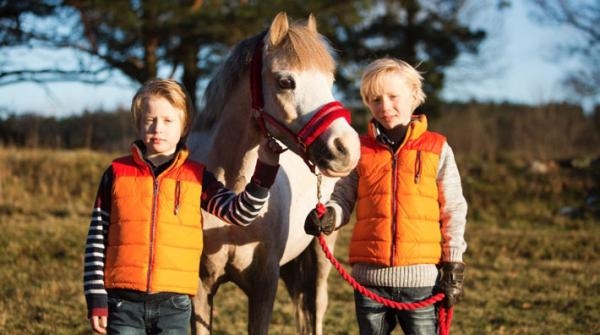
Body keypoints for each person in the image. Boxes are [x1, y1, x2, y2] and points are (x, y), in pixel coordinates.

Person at [82, 78, 282, 334]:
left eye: (168, 121)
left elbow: (239, 213)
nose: (157, 128)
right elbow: (96, 239)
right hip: (123, 303)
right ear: (138, 124)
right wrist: (97, 299)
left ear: (184, 126)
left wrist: (265, 170)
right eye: (149, 120)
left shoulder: (197, 176)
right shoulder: (116, 173)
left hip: (174, 306)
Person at [304, 58, 468, 335]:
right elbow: (343, 196)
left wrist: (454, 264)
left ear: (414, 96)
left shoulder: (436, 147)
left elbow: (453, 207)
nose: (385, 106)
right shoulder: (360, 148)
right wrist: (330, 215)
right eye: (375, 99)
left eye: (393, 97)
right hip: (369, 282)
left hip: (421, 283)